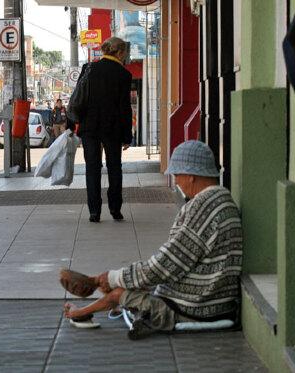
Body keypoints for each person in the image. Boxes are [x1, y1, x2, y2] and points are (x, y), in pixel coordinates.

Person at [60, 141, 243, 339]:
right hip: (213, 300)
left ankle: (80, 311)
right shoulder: (223, 201)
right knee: (129, 284)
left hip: (194, 308)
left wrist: (114, 278)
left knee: (119, 293)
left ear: (191, 175)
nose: (177, 182)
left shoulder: (203, 208)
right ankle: (97, 282)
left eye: (177, 175)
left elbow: (164, 266)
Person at [79, 37, 133, 223]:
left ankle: (94, 211)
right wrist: (127, 135)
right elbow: (125, 107)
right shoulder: (123, 74)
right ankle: (115, 208)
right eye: (125, 52)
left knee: (92, 168)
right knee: (114, 168)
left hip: (89, 127)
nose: (125, 55)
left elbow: (79, 97)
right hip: (113, 128)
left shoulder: (89, 69)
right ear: (119, 52)